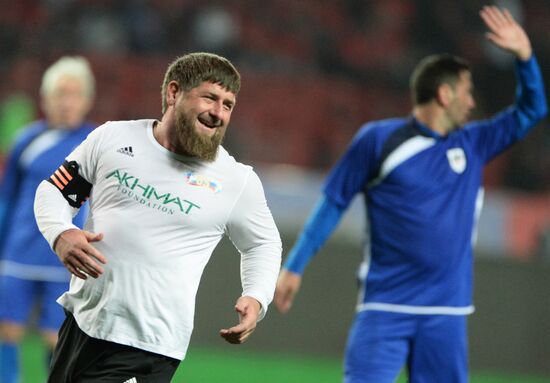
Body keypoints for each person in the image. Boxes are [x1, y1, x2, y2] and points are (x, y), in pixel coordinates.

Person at [275, 6, 547, 383]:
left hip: (446, 314)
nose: (472, 104)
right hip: (384, 308)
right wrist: (295, 264)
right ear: (444, 93)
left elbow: (533, 110)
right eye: (466, 93)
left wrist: (525, 58)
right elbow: (334, 201)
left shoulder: (474, 143)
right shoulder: (378, 140)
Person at [34, 52, 282, 382]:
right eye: (209, 98)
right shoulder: (113, 139)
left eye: (227, 104)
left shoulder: (236, 181)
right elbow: (55, 191)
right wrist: (61, 233)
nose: (218, 113)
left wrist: (257, 295)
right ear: (173, 92)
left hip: (149, 346)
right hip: (82, 323)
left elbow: (263, 243)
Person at [0, 56, 96, 383]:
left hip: (65, 256)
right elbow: (8, 197)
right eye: (59, 93)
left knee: (56, 337)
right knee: (6, 328)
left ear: (86, 100)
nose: (65, 102)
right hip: (18, 251)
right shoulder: (27, 139)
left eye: (73, 94)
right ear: (45, 98)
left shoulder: (95, 143)